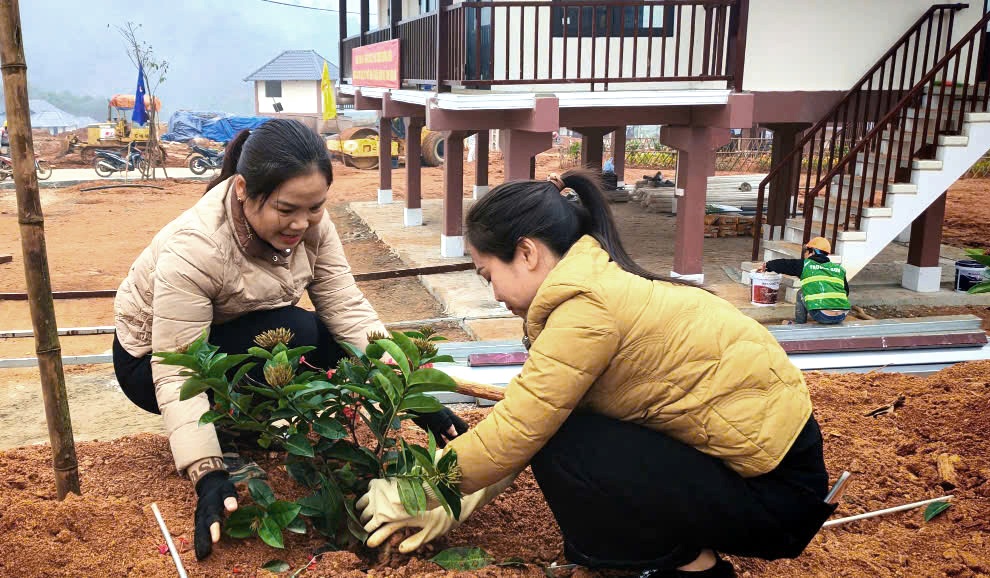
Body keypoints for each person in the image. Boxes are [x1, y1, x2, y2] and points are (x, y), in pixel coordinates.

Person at [356, 169, 835, 577]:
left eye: (487, 274)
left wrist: (416, 489)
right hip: (767, 479)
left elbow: (522, 430)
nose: (493, 293)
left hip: (777, 500)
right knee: (567, 436)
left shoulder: (587, 310)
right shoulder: (594, 290)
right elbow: (533, 422)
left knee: (570, 447)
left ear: (526, 253)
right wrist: (457, 502)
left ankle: (689, 565)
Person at [112, 118, 467, 561]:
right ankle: (224, 432)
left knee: (326, 337)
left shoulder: (312, 223)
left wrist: (412, 394)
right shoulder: (196, 249)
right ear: (243, 188)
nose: (301, 223)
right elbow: (177, 366)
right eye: (286, 210)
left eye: (315, 207)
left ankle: (243, 421)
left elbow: (346, 306)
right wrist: (207, 473)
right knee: (299, 333)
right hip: (150, 362)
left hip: (238, 330)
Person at [758, 237, 850, 325]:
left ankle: (799, 323)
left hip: (822, 315)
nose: (804, 254)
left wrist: (767, 266)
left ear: (812, 251)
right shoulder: (839, 269)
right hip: (842, 315)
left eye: (806, 251)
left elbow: (784, 264)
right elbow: (846, 292)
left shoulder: (805, 265)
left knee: (801, 293)